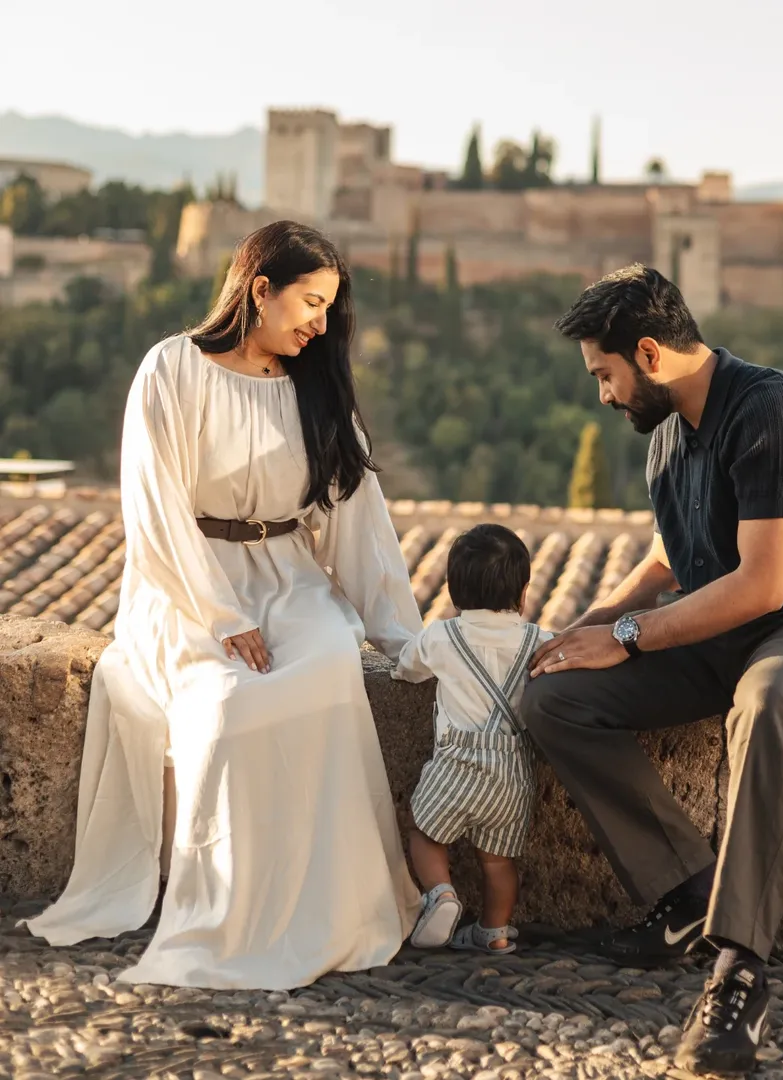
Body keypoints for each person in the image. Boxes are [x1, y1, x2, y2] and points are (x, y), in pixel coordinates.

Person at [24, 221, 423, 991]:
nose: (319, 323)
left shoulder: (315, 388)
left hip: (288, 576)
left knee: (331, 665)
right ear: (260, 288)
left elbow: (355, 521)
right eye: (310, 302)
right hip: (185, 583)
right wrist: (220, 615)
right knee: (227, 704)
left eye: (329, 309)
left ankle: (328, 910)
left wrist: (400, 636)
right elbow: (154, 505)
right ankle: (227, 914)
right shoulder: (171, 369)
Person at [523, 264, 783, 1076]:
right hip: (715, 636)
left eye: (604, 375)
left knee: (774, 699)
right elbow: (664, 563)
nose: (603, 396)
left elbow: (763, 584)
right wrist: (581, 630)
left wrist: (634, 635)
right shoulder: (664, 448)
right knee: (555, 702)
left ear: (647, 353)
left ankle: (738, 968)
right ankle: (685, 892)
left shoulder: (771, 409)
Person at [393, 524, 552, 954]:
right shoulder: (540, 641)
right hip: (512, 772)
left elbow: (407, 666)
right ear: (522, 594)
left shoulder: (442, 637)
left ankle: (441, 894)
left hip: (457, 762)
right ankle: (493, 931)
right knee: (498, 862)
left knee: (424, 832)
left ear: (454, 591)